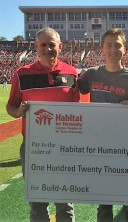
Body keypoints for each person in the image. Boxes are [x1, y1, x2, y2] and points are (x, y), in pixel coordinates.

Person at [6, 27, 78, 222]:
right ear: (36, 47)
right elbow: (10, 106)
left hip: (65, 148)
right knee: (37, 203)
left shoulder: (72, 74)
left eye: (52, 44)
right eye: (43, 45)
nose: (48, 49)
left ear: (60, 47)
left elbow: (80, 110)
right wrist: (18, 111)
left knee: (65, 202)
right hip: (33, 146)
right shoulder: (21, 74)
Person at [78, 28, 128, 222]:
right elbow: (68, 93)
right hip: (100, 146)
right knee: (104, 202)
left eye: (118, 45)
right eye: (109, 45)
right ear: (102, 49)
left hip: (126, 148)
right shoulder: (90, 75)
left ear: (125, 49)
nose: (113, 49)